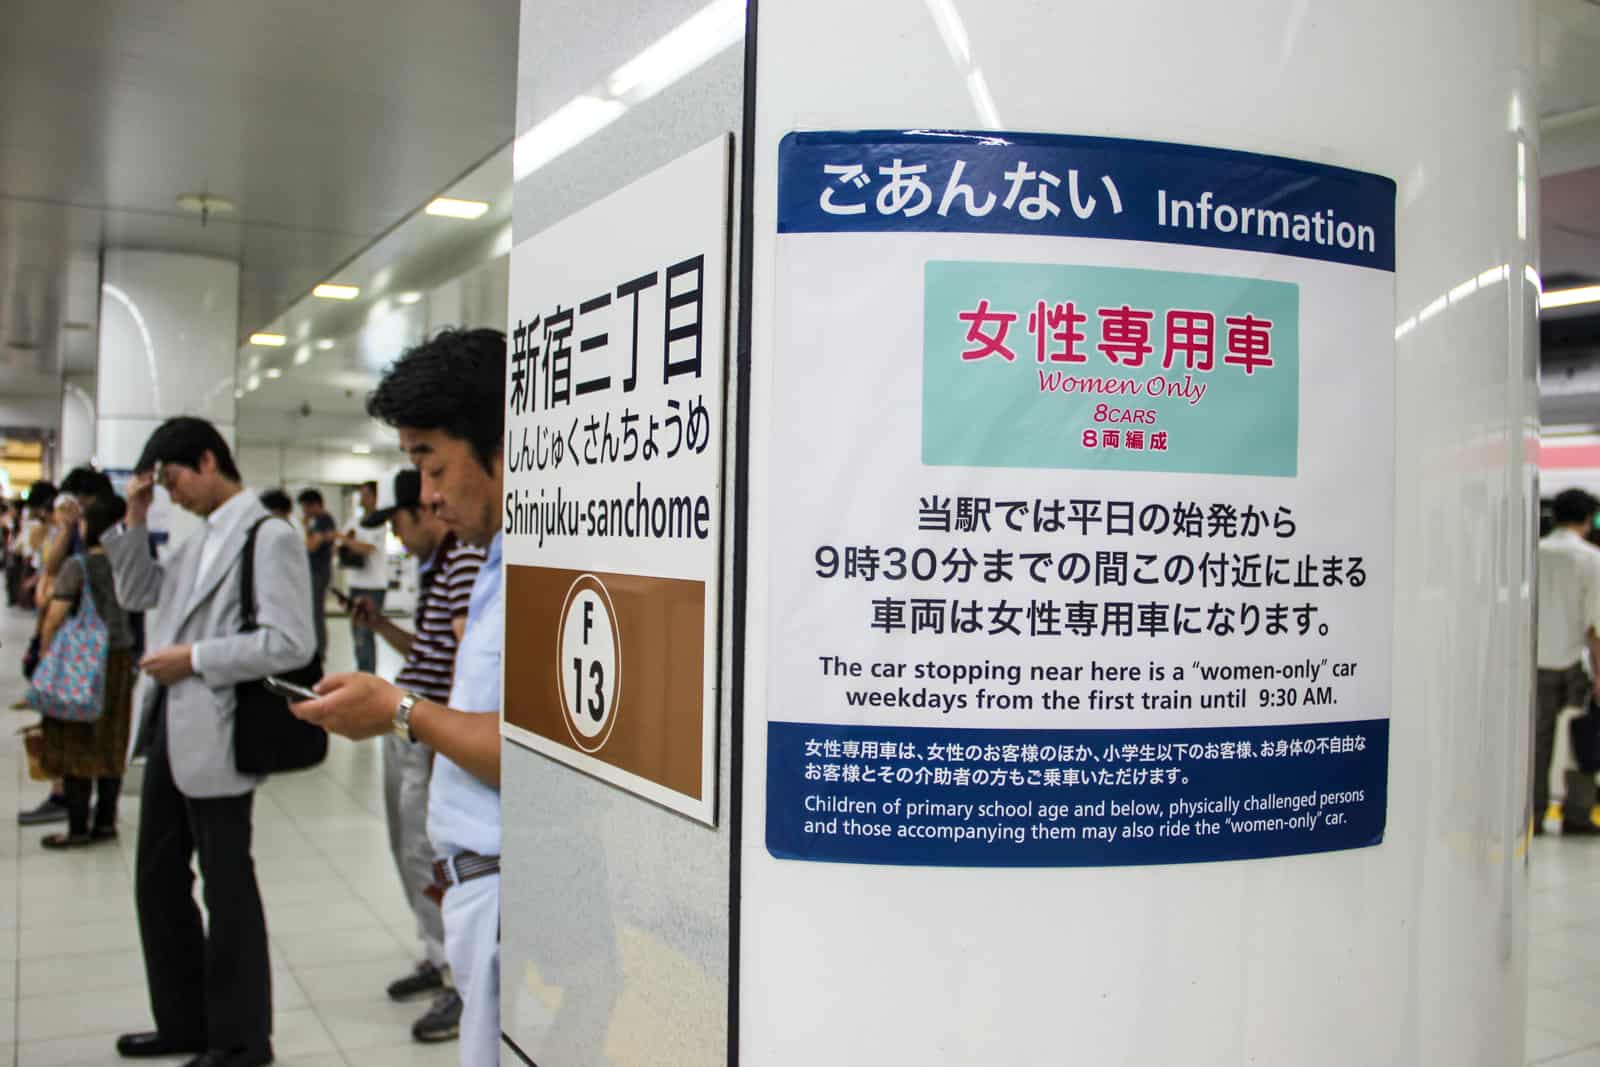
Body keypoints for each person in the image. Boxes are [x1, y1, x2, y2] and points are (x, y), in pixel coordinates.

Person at [292, 327, 506, 1067]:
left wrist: (400, 710)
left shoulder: (541, 568)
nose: (429, 495)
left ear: (500, 447)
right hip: (477, 880)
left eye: (433, 465)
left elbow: (534, 751)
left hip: (511, 888)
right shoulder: (489, 559)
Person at [104, 416, 316, 1067]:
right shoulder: (197, 540)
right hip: (173, 726)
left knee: (227, 891)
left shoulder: (269, 535)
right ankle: (185, 1021)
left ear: (206, 460)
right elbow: (138, 591)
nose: (172, 495)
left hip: (219, 732)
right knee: (157, 881)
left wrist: (194, 657)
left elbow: (291, 642)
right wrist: (134, 516)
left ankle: (242, 1040)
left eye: (172, 481)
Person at [355, 467, 485, 1043]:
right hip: (414, 725)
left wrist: (443, 743)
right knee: (407, 848)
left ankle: (457, 979)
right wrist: (380, 624)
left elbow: (464, 667)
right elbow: (429, 652)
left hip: (428, 732)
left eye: (402, 524)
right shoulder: (440, 570)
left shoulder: (463, 562)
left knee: (429, 856)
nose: (402, 537)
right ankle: (437, 957)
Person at [33, 492, 136, 848]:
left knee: (76, 738)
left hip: (83, 660)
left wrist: (46, 658)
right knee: (112, 737)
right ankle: (106, 822)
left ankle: (77, 829)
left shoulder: (78, 566)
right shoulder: (129, 565)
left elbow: (54, 617)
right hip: (121, 659)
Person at [1536, 487, 1600, 836]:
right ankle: (1577, 813)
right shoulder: (1591, 559)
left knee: (1537, 742)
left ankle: (1534, 811)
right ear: (1588, 519)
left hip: (1535, 665)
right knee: (1581, 740)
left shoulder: (1535, 553)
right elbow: (1595, 625)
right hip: (1575, 664)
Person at [338, 480, 390, 674]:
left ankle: (368, 676)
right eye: (360, 494)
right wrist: (346, 542)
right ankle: (362, 672)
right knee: (356, 634)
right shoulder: (354, 522)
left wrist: (347, 541)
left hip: (374, 585)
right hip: (355, 583)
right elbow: (341, 543)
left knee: (365, 633)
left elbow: (366, 549)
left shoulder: (380, 522)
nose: (362, 498)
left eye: (366, 494)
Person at [297, 488, 338, 658]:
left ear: (315, 505)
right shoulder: (316, 521)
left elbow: (311, 545)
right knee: (312, 612)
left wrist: (306, 530)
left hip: (319, 572)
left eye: (306, 507)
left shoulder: (324, 520)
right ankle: (315, 648)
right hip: (313, 571)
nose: (304, 511)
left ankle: (319, 651)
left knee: (316, 613)